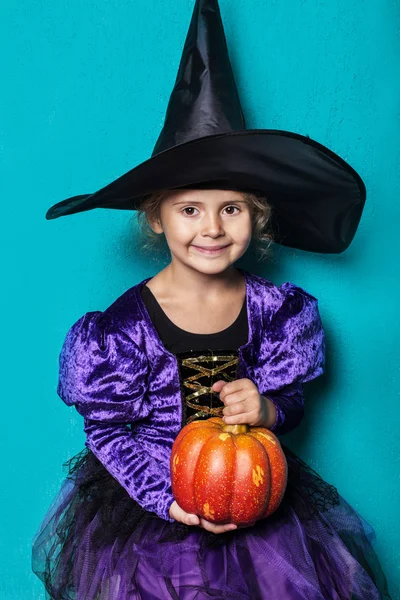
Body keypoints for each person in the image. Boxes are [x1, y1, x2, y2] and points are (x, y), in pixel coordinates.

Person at [32, 1, 393, 598]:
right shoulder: (120, 329)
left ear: (258, 218)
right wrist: (168, 500)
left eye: (232, 209)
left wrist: (268, 410)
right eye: (190, 210)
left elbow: (291, 402)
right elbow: (110, 431)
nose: (213, 228)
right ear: (156, 219)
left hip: (254, 495)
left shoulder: (275, 311)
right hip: (155, 508)